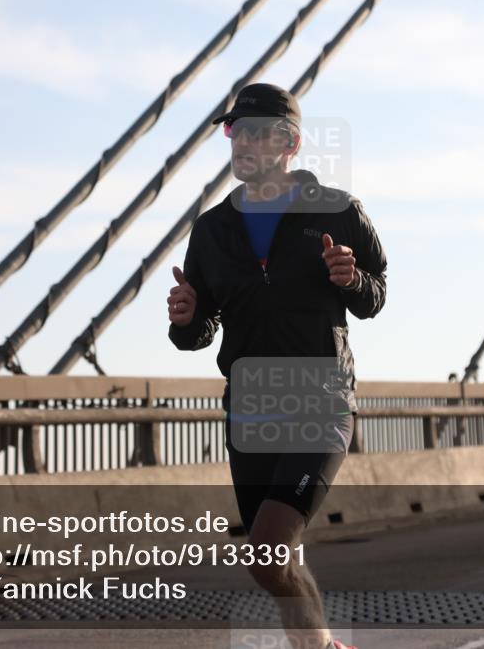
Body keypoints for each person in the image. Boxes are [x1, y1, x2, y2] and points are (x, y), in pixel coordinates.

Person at [167, 82, 387, 649]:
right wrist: (187, 318)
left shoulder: (338, 210)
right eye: (233, 131)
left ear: (289, 143)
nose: (241, 143)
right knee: (273, 562)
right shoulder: (212, 230)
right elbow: (198, 331)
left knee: (267, 552)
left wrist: (351, 280)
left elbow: (375, 294)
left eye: (255, 133)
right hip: (251, 407)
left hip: (320, 400)